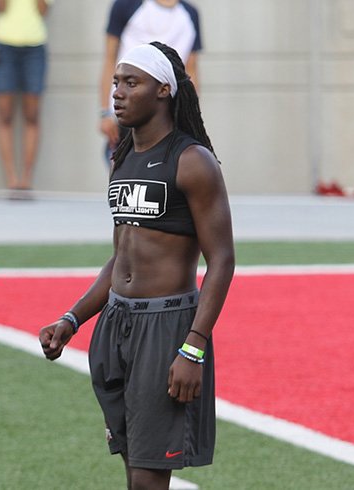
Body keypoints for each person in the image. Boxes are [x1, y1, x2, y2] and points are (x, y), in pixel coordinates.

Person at [39, 42, 234, 490]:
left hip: (166, 328)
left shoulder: (192, 161)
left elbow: (222, 260)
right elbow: (121, 256)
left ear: (163, 90)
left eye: (131, 82)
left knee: (148, 478)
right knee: (133, 469)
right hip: (117, 323)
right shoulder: (122, 158)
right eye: (115, 82)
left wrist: (193, 347)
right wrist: (73, 318)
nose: (118, 93)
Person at [99, 0, 202, 167]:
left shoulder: (190, 13)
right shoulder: (126, 5)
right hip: (127, 115)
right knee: (124, 178)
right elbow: (109, 59)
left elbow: (191, 69)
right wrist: (105, 112)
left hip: (168, 115)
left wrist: (190, 115)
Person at [0, 0, 53, 194]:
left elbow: (43, 10)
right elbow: (0, 7)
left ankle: (26, 179)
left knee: (32, 115)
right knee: (5, 114)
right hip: (3, 44)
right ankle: (11, 179)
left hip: (35, 45)